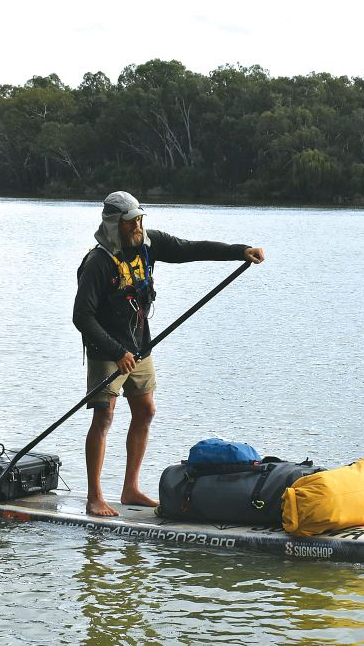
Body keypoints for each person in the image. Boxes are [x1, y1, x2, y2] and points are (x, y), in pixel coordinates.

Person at [73, 191, 265, 516]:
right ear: (114, 224)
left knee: (145, 410)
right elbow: (82, 317)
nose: (138, 225)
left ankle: (131, 489)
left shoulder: (150, 243)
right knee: (104, 417)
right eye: (132, 221)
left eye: (140, 218)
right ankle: (95, 497)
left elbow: (191, 249)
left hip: (139, 344)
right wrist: (116, 351)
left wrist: (239, 252)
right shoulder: (98, 262)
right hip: (107, 349)